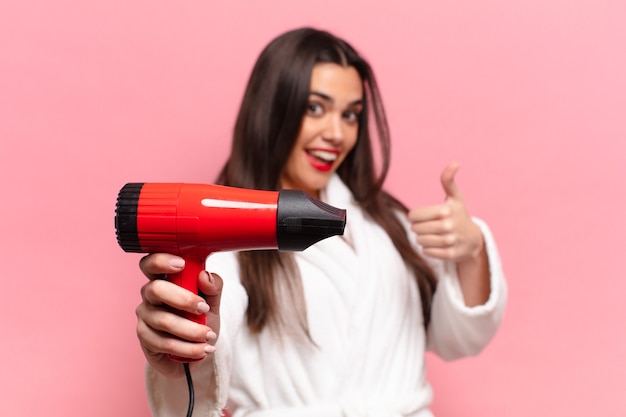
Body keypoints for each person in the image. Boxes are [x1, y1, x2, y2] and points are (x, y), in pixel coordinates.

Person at [135, 27, 507, 417]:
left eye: (350, 115)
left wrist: (471, 250)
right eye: (315, 108)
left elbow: (460, 340)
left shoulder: (389, 225)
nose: (336, 134)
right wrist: (179, 346)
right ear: (272, 108)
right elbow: (210, 355)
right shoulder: (226, 238)